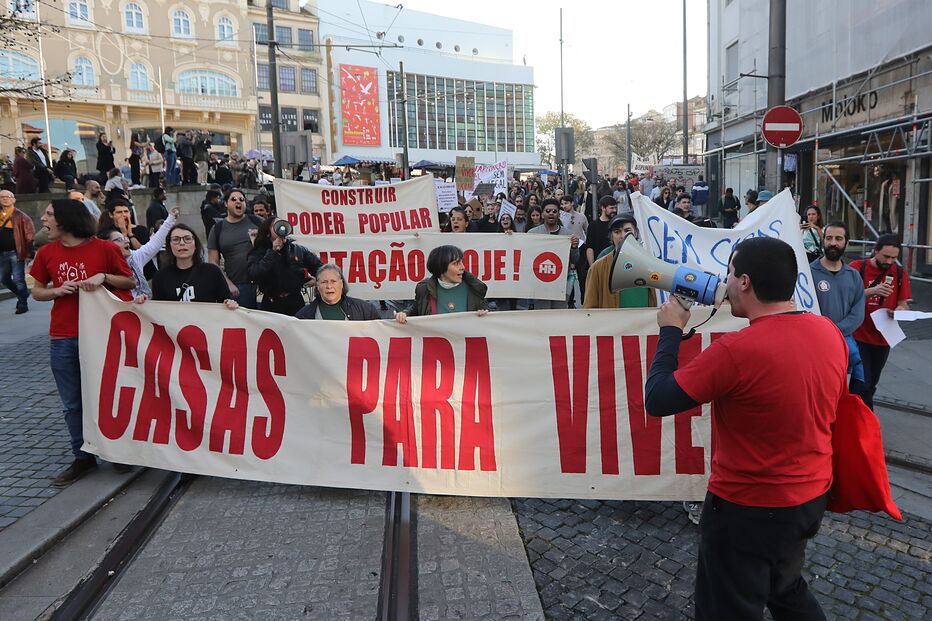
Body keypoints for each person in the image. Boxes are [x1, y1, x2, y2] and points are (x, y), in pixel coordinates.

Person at [645, 236, 847, 621]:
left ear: (745, 283)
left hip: (746, 507)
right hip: (808, 496)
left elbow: (658, 398)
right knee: (785, 588)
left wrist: (670, 329)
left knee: (728, 608)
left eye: (731, 272)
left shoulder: (736, 350)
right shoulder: (827, 332)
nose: (726, 282)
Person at [30, 199, 136, 486]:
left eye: (49, 214)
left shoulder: (106, 249)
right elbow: (36, 292)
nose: (43, 219)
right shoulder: (46, 252)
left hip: (101, 334)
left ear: (66, 219)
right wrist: (56, 291)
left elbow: (129, 282)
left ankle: (115, 452)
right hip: (63, 337)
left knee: (106, 394)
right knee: (72, 402)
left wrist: (103, 277)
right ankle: (82, 456)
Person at [849, 234, 912, 410]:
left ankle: (855, 416)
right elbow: (846, 296)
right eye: (885, 256)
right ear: (875, 251)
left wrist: (900, 311)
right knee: (862, 381)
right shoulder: (856, 268)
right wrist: (872, 291)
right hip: (858, 334)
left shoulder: (899, 273)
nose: (889, 261)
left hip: (883, 337)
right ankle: (864, 420)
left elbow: (903, 303)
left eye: (894, 257)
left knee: (871, 382)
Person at [810, 221, 865, 382]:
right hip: (815, 345)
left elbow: (857, 313)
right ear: (823, 241)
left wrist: (835, 331)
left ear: (846, 243)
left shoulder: (853, 276)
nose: (833, 243)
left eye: (838, 238)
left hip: (842, 346)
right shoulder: (808, 273)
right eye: (829, 238)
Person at [146, 223, 237, 308]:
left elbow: (224, 301)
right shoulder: (160, 277)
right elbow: (157, 311)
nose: (182, 243)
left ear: (195, 244)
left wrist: (230, 304)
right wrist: (142, 304)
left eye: (187, 238)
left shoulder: (212, 272)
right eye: (176, 240)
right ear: (169, 246)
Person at [394, 245, 489, 322]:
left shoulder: (474, 289)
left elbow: (489, 317)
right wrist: (404, 314)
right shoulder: (424, 289)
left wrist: (485, 315)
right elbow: (415, 310)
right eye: (456, 263)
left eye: (462, 262)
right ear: (441, 267)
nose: (463, 267)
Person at [247, 218, 322, 316]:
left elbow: (320, 268)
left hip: (295, 301)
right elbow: (255, 274)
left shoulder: (297, 250)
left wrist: (317, 280)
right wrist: (272, 252)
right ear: (268, 231)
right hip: (271, 303)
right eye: (276, 225)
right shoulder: (258, 252)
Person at [100, 208, 177, 298]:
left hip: (142, 307)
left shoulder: (135, 257)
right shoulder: (102, 265)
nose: (127, 241)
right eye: (120, 239)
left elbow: (156, 242)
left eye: (125, 238)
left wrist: (171, 218)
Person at [584, 215, 657, 309]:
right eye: (617, 232)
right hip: (613, 323)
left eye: (628, 231)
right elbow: (589, 308)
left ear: (636, 233)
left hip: (643, 322)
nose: (623, 236)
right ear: (611, 236)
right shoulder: (597, 268)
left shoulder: (649, 265)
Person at [207, 188, 263, 308]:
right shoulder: (218, 228)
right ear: (226, 203)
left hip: (264, 285)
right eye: (234, 199)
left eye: (241, 199)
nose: (238, 202)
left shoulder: (257, 221)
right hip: (238, 287)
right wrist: (228, 283)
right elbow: (213, 262)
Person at [528, 198, 579, 309]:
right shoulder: (532, 234)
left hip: (561, 283)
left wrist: (575, 248)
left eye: (554, 211)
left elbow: (575, 260)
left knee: (559, 316)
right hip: (540, 284)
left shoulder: (568, 234)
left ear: (559, 215)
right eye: (548, 211)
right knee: (542, 316)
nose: (551, 213)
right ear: (542, 214)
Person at [296, 264, 380, 320]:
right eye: (324, 282)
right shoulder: (303, 316)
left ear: (342, 284)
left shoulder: (366, 310)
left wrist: (393, 325)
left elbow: (382, 333)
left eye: (333, 281)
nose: (329, 286)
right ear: (317, 286)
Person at [0, 189, 35, 314]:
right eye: (2, 197)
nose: (5, 199)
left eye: (8, 196)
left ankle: (22, 303)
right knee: (4, 279)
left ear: (13, 199)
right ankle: (23, 294)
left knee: (18, 278)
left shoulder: (21, 216)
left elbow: (30, 235)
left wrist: (30, 253)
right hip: (2, 253)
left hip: (16, 252)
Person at [586, 196, 617, 268]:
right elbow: (590, 247)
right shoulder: (593, 225)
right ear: (603, 208)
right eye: (611, 208)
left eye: (615, 208)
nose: (614, 210)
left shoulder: (616, 224)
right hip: (599, 264)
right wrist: (592, 267)